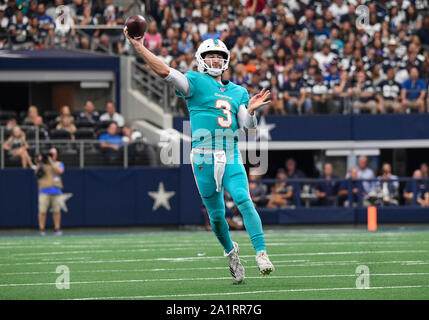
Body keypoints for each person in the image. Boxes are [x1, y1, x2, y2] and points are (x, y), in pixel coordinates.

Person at [124, 29, 274, 283]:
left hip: (229, 153)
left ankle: (261, 253)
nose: (215, 60)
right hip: (203, 156)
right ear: (201, 59)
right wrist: (139, 47)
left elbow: (247, 126)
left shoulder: (238, 92)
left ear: (226, 60)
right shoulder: (194, 80)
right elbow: (164, 71)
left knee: (243, 199)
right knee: (216, 217)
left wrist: (251, 111)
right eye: (210, 56)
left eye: (219, 56)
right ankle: (230, 252)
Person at [34, 148, 64, 236]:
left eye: (53, 154)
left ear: (56, 155)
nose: (51, 155)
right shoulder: (42, 164)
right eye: (50, 153)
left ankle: (57, 229)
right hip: (44, 190)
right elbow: (36, 173)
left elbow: (60, 171)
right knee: (42, 211)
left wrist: (51, 162)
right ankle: (42, 229)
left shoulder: (59, 163)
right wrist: (40, 161)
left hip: (56, 190)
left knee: (56, 211)